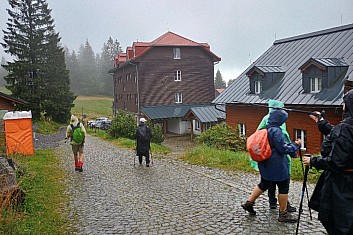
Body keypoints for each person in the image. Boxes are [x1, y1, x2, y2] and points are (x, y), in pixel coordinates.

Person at [303, 89, 353, 234]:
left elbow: (336, 162)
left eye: (344, 103)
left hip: (342, 185)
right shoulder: (345, 128)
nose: (342, 107)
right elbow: (342, 137)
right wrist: (323, 123)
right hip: (345, 183)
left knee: (339, 223)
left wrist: (314, 161)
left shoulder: (346, 128)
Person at [242, 109, 301, 223]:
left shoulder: (265, 130)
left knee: (264, 184)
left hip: (264, 163)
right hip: (277, 165)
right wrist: (295, 145)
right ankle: (283, 214)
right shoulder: (277, 131)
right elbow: (282, 148)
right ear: (280, 120)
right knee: (284, 187)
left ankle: (249, 203)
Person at [251, 99, 296, 212]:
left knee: (266, 182)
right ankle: (283, 210)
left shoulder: (268, 120)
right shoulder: (276, 127)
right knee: (282, 184)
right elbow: (282, 144)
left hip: (265, 159)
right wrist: (294, 147)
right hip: (276, 159)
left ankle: (251, 203)